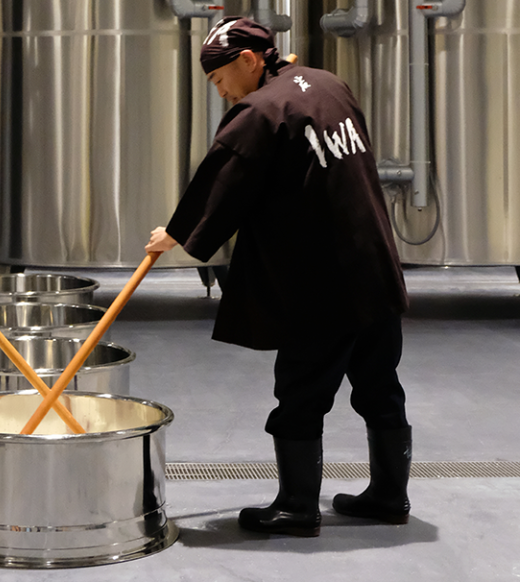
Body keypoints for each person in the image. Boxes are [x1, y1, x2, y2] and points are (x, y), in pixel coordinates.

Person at [146, 17, 412, 537]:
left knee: (300, 391)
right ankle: (389, 495)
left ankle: (295, 506)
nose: (221, 92)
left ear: (249, 61)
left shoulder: (261, 111)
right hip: (373, 264)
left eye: (220, 79)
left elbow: (223, 181)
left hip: (322, 280)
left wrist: (175, 235)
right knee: (380, 384)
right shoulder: (330, 85)